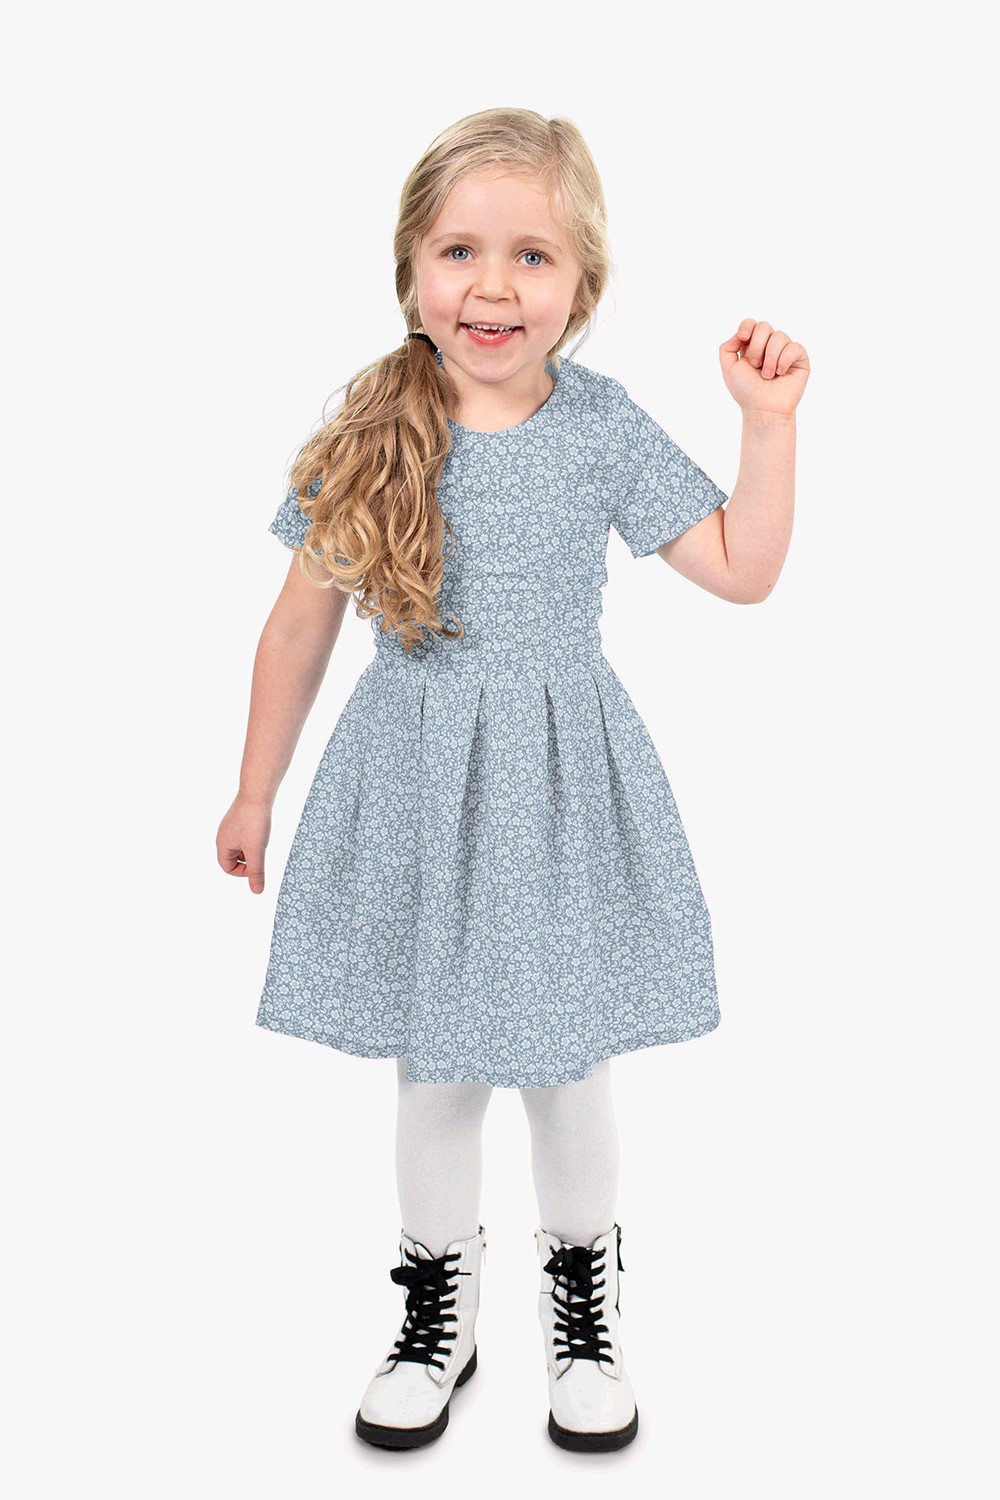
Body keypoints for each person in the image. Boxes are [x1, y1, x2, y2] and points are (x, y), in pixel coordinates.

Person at [217, 106, 807, 1454]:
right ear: (410, 269)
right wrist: (255, 790)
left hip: (557, 794)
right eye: (461, 251)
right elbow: (299, 626)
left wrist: (767, 427)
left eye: (533, 256)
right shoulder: (373, 429)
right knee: (435, 1074)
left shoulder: (600, 428)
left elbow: (742, 570)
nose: (493, 287)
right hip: (414, 791)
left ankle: (584, 1308)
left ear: (583, 285)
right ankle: (438, 1307)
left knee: (567, 1068)